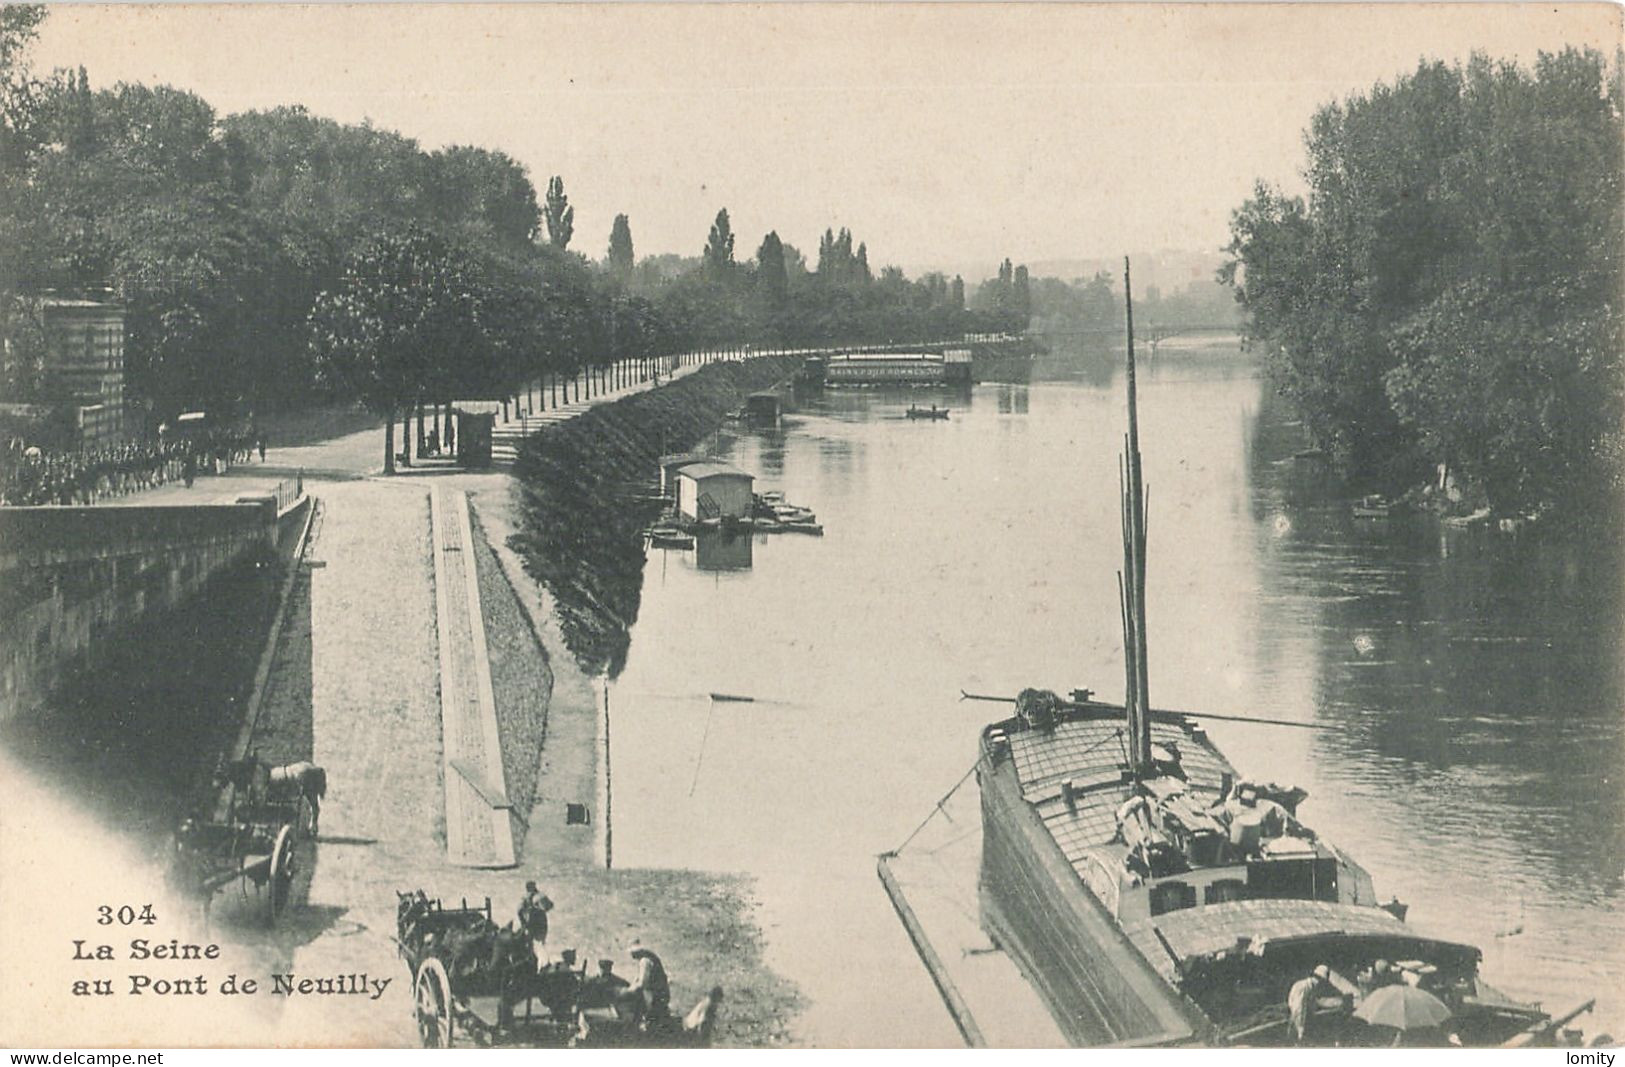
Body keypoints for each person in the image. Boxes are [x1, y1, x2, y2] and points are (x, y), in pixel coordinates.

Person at [625, 940, 671, 1024]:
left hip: (656, 996)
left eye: (632, 952)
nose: (631, 955)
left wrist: (627, 991)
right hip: (659, 993)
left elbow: (642, 983)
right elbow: (637, 979)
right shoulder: (648, 958)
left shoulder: (645, 961)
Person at [1287, 965, 1330, 1045]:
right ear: (1319, 980)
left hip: (1305, 1020)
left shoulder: (1311, 988)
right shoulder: (1303, 987)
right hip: (1297, 1022)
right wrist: (1300, 1029)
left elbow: (1314, 1004)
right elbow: (1299, 1009)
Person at [518, 881, 553, 965]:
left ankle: (533, 961)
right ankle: (544, 962)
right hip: (540, 922)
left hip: (530, 923)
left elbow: (519, 911)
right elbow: (550, 906)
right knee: (541, 943)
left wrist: (523, 922)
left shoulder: (525, 897)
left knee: (531, 944)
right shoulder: (540, 896)